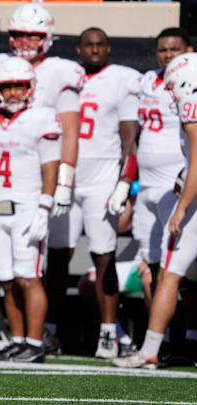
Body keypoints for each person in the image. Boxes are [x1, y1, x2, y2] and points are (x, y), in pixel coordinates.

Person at [0, 3, 85, 355]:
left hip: (37, 183)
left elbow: (70, 130)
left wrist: (64, 181)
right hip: (0, 190)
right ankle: (20, 339)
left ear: (49, 37)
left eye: (33, 35)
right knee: (8, 277)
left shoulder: (61, 72)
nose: (25, 41)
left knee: (42, 264)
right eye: (19, 33)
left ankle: (42, 337)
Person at [0, 56, 61, 363]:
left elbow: (51, 168)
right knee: (6, 279)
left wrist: (45, 207)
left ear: (30, 87)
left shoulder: (43, 117)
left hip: (29, 206)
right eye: (7, 87)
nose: (14, 92)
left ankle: (34, 342)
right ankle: (18, 340)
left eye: (19, 86)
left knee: (28, 277)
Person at [49, 27, 140, 359]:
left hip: (102, 178)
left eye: (101, 44)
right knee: (58, 256)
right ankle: (49, 331)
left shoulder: (123, 79)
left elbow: (130, 138)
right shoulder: (65, 77)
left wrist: (124, 182)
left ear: (109, 47)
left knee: (105, 255)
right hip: (65, 177)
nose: (95, 49)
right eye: (89, 45)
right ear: (79, 49)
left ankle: (107, 333)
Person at [114, 52, 197, 369]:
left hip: (193, 204)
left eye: (173, 85)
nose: (171, 93)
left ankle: (149, 350)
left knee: (170, 274)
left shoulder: (191, 102)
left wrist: (181, 208)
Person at [132, 28, 192, 306]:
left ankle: (185, 337)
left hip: (177, 184)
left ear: (189, 51)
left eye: (175, 49)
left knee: (180, 267)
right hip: (146, 185)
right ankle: (160, 340)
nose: (168, 56)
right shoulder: (145, 81)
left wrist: (184, 175)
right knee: (151, 264)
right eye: (163, 50)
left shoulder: (190, 82)